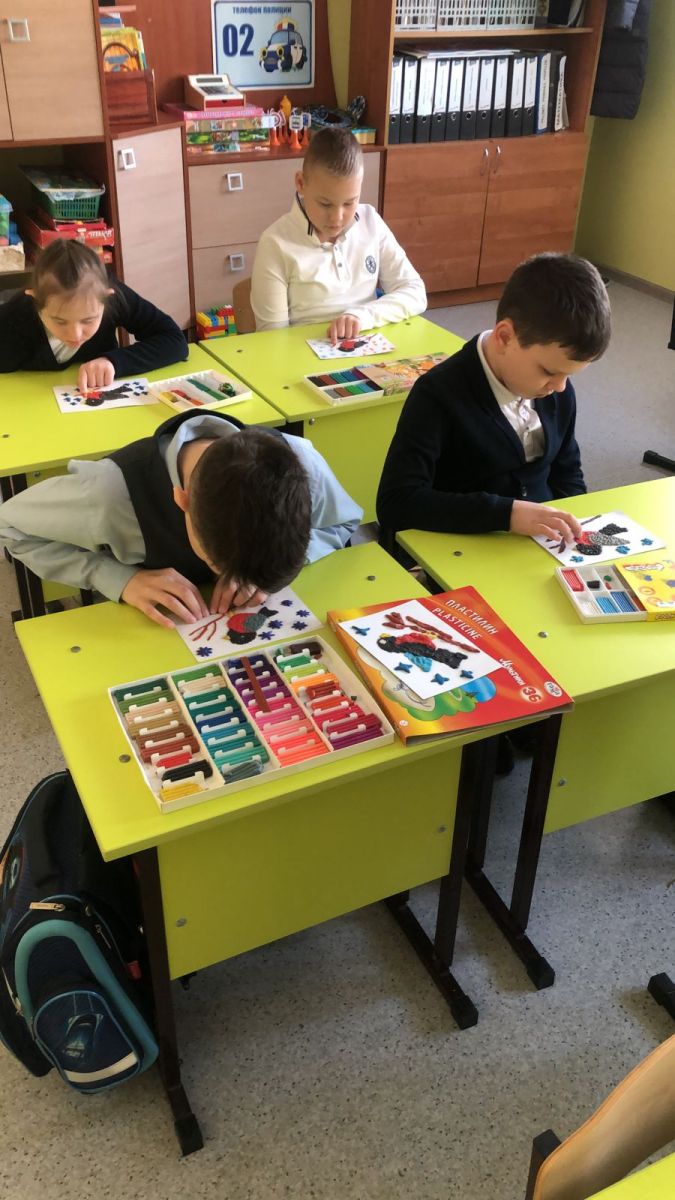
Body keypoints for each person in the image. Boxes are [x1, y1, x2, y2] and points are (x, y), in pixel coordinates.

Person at [0, 410, 362, 628]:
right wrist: (119, 579)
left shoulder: (302, 460)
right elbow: (9, 525)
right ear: (181, 499)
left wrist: (263, 576)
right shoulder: (108, 495)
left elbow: (344, 521)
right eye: (218, 564)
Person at [377, 253, 612, 546]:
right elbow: (396, 503)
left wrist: (572, 531)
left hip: (537, 547)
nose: (561, 387)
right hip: (459, 546)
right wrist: (507, 515)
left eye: (570, 375)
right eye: (549, 372)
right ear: (505, 337)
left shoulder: (556, 390)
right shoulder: (437, 394)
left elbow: (567, 474)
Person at [250, 126, 427, 343]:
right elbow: (273, 341)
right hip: (303, 354)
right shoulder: (275, 243)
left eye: (349, 203)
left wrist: (361, 316)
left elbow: (415, 292)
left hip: (369, 351)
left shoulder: (371, 221)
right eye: (325, 204)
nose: (337, 218)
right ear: (300, 183)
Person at [0, 238, 188, 388]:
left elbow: (174, 340)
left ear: (106, 298)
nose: (75, 335)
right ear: (35, 301)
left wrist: (114, 362)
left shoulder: (113, 296)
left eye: (88, 320)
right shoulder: (13, 318)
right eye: (60, 321)